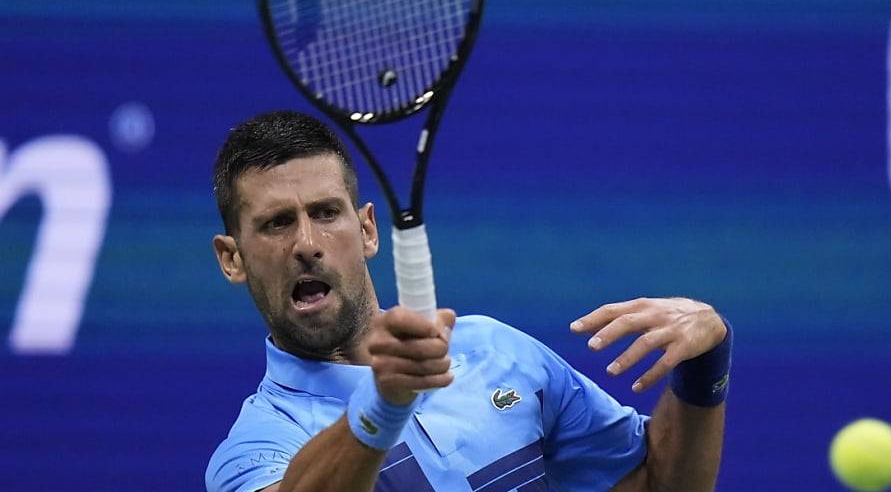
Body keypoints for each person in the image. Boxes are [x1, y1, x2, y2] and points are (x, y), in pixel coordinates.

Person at [205, 111, 732, 492]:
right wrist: (383, 402)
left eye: (325, 213)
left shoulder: (495, 350)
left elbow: (656, 482)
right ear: (233, 259)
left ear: (366, 229)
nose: (307, 243)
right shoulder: (256, 448)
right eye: (276, 223)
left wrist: (705, 365)